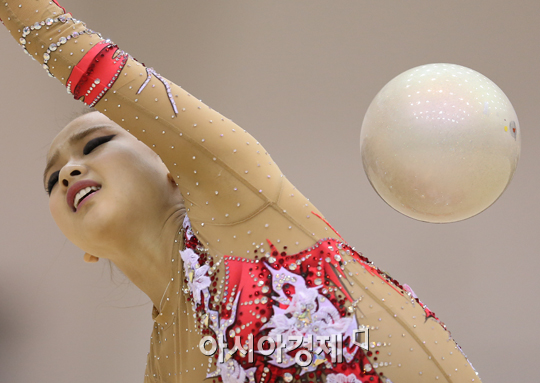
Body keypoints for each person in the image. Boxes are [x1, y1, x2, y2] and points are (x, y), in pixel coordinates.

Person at [0, 1, 480, 382]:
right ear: (83, 252)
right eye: (51, 177)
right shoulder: (160, 371)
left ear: (174, 163)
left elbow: (82, 57)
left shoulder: (240, 207)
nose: (69, 171)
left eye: (96, 143)